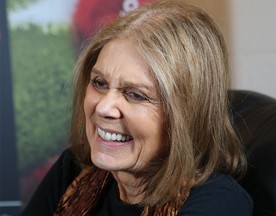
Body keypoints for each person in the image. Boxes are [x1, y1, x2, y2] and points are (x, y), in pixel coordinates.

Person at [21, 1, 253, 215]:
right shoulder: (73, 168)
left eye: (135, 95)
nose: (104, 107)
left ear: (187, 114)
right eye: (99, 83)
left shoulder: (219, 203)